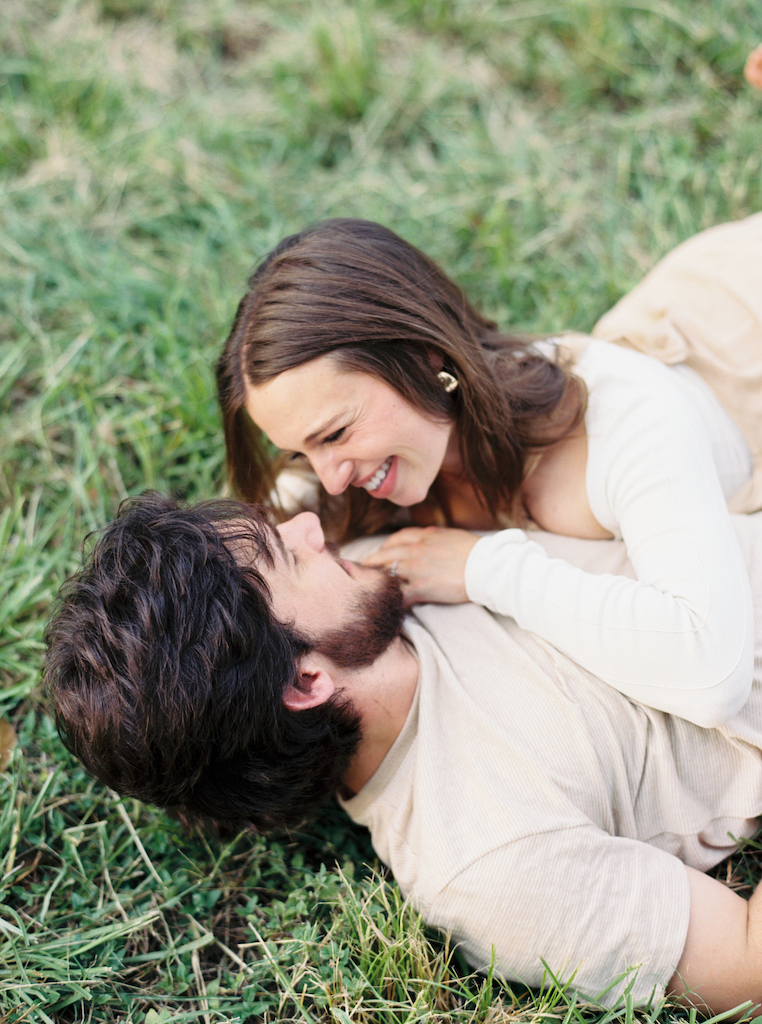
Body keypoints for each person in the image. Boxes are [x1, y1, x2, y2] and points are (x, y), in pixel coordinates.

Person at [45, 492, 762, 1013]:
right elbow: (747, 966)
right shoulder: (490, 863)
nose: (307, 528)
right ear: (304, 680)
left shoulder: (369, 582)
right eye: (287, 553)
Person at [216, 214, 762, 728]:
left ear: (426, 357)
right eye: (298, 452)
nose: (329, 480)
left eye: (335, 435)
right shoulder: (351, 472)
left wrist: (485, 569)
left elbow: (711, 672)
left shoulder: (621, 422)